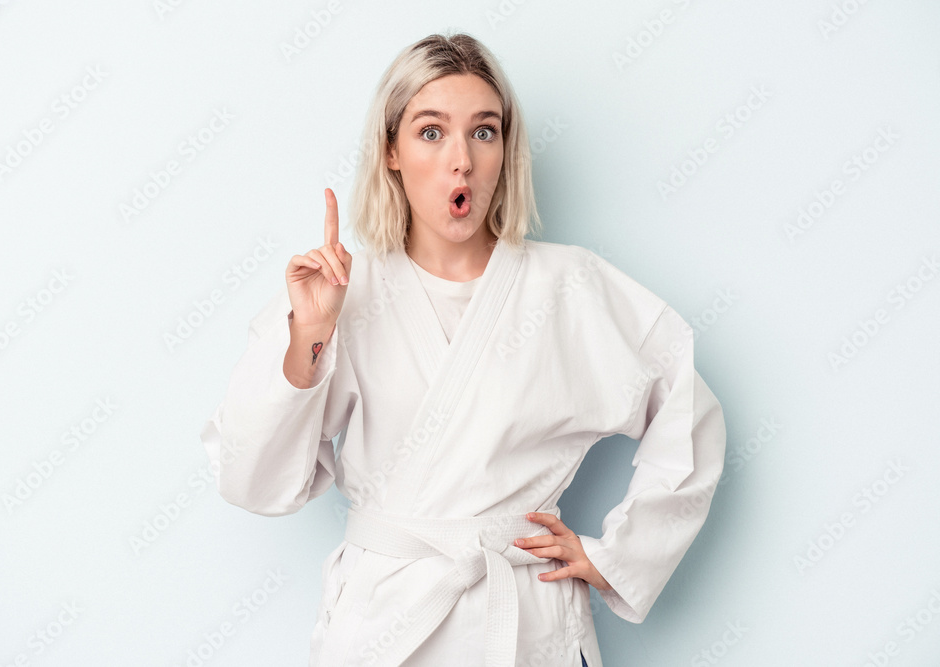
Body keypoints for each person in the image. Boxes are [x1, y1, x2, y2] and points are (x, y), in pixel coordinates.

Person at [200, 31, 726, 667]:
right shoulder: (343, 292)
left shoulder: (570, 287)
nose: (463, 161)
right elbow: (250, 480)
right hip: (384, 624)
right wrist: (310, 334)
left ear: (505, 149)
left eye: (484, 132)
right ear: (391, 150)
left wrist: (618, 558)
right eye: (431, 132)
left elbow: (688, 408)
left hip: (523, 624)